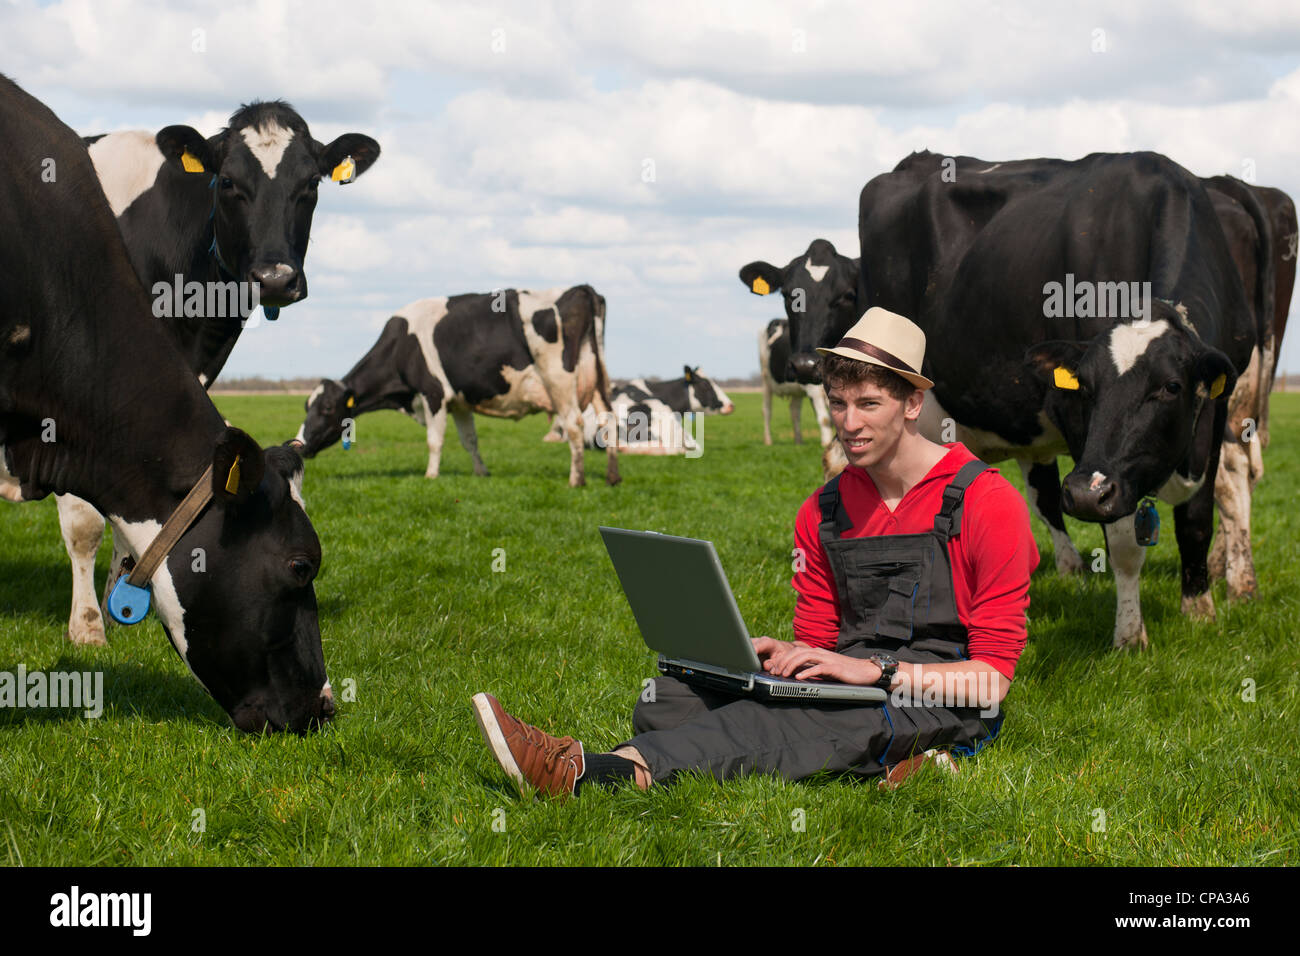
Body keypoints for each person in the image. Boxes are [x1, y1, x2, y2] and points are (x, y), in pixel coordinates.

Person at [472, 307, 1039, 797]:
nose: (849, 423)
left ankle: (598, 773)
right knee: (671, 699)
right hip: (850, 682)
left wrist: (872, 670)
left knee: (813, 715)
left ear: (913, 404)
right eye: (838, 403)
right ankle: (894, 761)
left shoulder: (987, 502)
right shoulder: (823, 510)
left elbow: (991, 681)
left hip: (943, 695)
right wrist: (785, 660)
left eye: (869, 404)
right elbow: (819, 640)